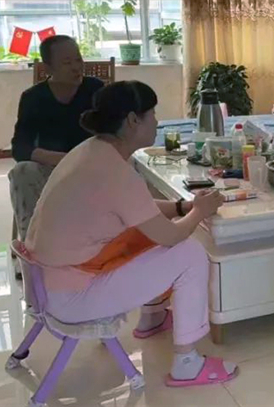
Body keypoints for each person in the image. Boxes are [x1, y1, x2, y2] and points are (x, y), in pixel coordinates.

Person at [25, 80, 238, 386]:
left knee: (141, 237)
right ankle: (187, 363)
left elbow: (138, 209)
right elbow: (170, 236)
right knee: (190, 253)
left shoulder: (91, 151)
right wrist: (199, 213)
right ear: (132, 120)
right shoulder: (114, 172)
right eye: (153, 114)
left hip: (47, 283)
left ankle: (152, 318)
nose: (157, 122)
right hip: (71, 297)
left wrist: (183, 206)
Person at [9, 35, 104, 242]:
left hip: (90, 166)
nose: (76, 67)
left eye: (78, 59)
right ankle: (32, 244)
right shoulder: (33, 98)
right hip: (51, 169)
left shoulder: (96, 89)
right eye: (67, 63)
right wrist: (58, 158)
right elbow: (20, 147)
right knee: (21, 172)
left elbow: (114, 131)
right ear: (48, 68)